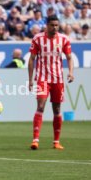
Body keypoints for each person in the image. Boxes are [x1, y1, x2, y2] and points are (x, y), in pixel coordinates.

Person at [28, 15, 74, 150]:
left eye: (56, 25)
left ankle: (56, 142)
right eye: (52, 25)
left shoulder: (64, 39)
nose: (54, 27)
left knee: (57, 109)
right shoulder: (38, 39)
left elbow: (69, 57)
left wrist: (71, 72)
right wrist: (30, 80)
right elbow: (32, 59)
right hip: (42, 78)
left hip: (58, 79)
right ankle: (35, 140)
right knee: (40, 106)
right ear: (46, 25)